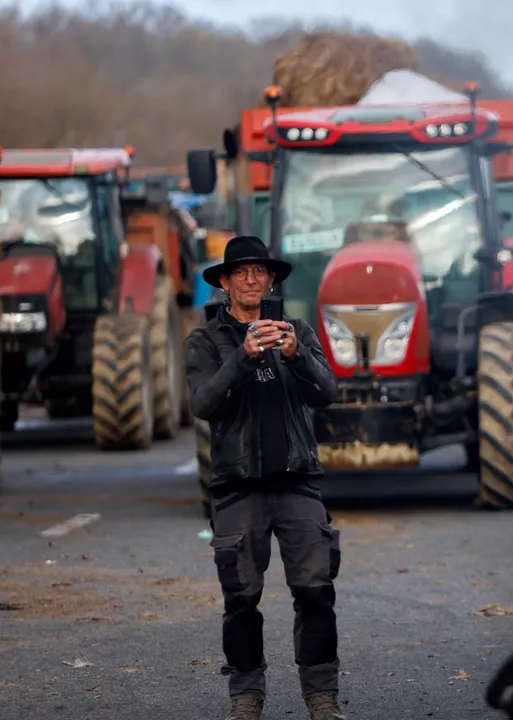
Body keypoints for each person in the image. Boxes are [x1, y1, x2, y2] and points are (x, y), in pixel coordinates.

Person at [184, 235, 345, 720]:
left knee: (316, 594)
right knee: (241, 602)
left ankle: (322, 699)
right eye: (241, 273)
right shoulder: (205, 341)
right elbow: (203, 403)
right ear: (226, 284)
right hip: (237, 488)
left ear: (270, 280)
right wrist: (243, 356)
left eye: (260, 272)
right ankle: (247, 701)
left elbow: (329, 392)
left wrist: (296, 355)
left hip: (298, 485)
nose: (251, 279)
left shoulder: (296, 331)